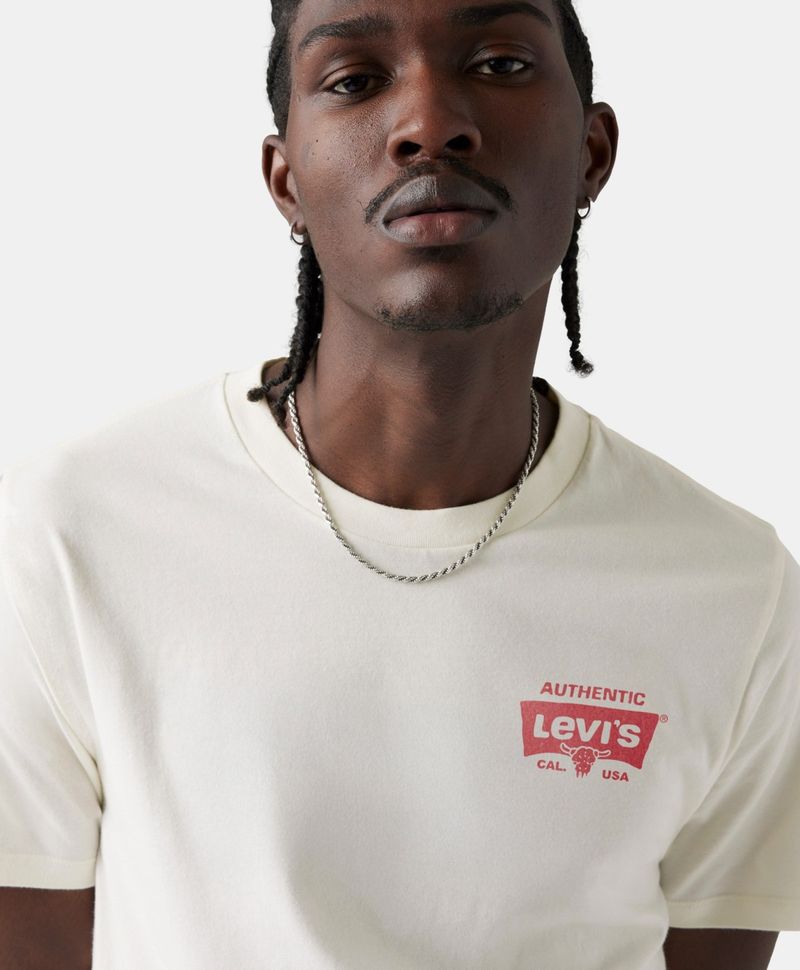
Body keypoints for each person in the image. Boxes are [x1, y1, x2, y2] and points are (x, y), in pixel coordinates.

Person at [0, 1, 797, 968]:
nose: (429, 122)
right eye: (355, 80)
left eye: (499, 63)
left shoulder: (733, 588)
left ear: (592, 153)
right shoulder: (70, 532)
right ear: (286, 181)